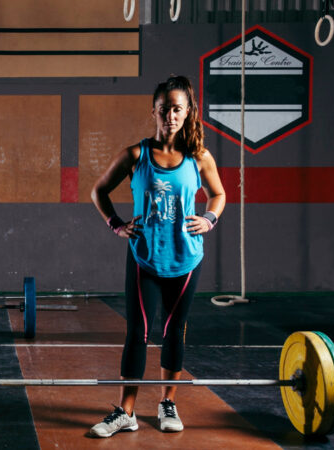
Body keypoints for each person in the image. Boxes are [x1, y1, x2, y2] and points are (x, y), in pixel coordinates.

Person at [87, 75, 226, 437]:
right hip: (145, 258)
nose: (170, 116)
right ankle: (126, 412)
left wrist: (209, 218)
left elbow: (219, 194)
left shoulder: (199, 157)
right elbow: (99, 190)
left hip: (186, 259)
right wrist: (116, 224)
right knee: (137, 332)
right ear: (154, 111)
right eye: (164, 109)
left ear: (188, 112)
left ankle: (168, 404)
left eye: (177, 109)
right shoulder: (137, 154)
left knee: (174, 331)